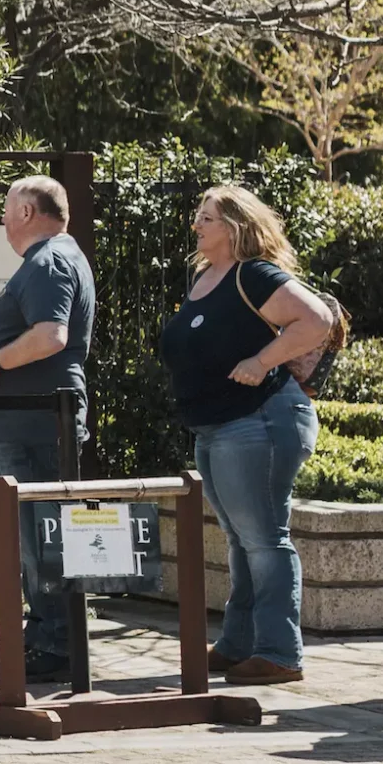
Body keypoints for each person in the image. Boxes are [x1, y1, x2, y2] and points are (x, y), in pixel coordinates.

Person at [162, 185, 333, 685]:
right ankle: (239, 644)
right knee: (241, 540)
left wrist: (261, 362)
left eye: (207, 217)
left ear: (236, 227)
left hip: (259, 419)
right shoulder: (203, 278)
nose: (196, 225)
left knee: (263, 540)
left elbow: (316, 319)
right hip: (216, 425)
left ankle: (279, 653)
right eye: (198, 215)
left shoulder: (253, 275)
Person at [0, 174, 98, 682]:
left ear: (27, 211)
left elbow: (51, 334)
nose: (2, 219)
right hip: (31, 420)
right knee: (37, 537)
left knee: (41, 536)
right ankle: (41, 635)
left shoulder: (49, 260)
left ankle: (55, 646)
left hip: (35, 421)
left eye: (7, 208)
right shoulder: (54, 258)